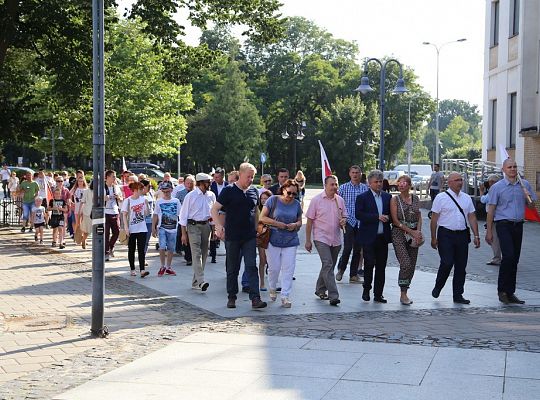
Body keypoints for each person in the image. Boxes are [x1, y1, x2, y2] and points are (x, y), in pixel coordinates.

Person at [211, 162, 267, 310]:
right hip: (232, 236)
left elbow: (255, 211)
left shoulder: (254, 191)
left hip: (249, 235)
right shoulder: (229, 190)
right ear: (240, 175)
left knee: (251, 266)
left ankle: (255, 298)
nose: (250, 179)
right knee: (232, 268)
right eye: (248, 176)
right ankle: (232, 296)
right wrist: (218, 226)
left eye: (253, 177)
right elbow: (214, 209)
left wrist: (257, 229)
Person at [486, 159, 537, 304]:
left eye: (515, 167)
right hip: (503, 224)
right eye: (510, 167)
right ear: (504, 169)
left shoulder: (524, 184)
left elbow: (532, 207)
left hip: (518, 225)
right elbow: (491, 211)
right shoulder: (497, 187)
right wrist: (489, 231)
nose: (513, 169)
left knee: (514, 258)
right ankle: (501, 290)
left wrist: (528, 196)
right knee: (508, 256)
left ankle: (510, 292)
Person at [430, 172, 480, 304]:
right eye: (457, 180)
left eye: (461, 180)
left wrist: (476, 235)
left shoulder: (466, 198)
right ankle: (438, 286)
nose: (460, 182)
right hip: (445, 234)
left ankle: (458, 295)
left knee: (461, 266)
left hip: (462, 235)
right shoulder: (441, 198)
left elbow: (472, 217)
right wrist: (433, 237)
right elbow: (434, 219)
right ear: (450, 182)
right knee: (446, 262)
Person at [259, 179, 302, 308]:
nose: (291, 196)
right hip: (273, 238)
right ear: (283, 189)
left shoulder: (296, 204)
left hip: (291, 239)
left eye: (295, 194)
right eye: (289, 193)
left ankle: (285, 296)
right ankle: (272, 287)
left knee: (289, 268)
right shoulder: (273, 200)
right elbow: (262, 217)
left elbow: (300, 220)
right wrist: (278, 224)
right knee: (274, 268)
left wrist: (295, 225)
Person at [305, 175, 346, 306]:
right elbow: (309, 221)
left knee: (328, 266)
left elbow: (345, 217)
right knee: (328, 264)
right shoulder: (316, 200)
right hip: (321, 237)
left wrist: (344, 220)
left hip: (336, 239)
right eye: (332, 184)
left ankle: (320, 289)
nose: (334, 187)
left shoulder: (339, 200)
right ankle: (334, 295)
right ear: (325, 185)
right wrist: (308, 240)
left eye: (336, 184)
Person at [356, 170, 392, 303]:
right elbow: (359, 215)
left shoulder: (387, 197)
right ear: (369, 183)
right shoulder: (362, 197)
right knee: (369, 264)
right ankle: (366, 289)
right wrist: (376, 217)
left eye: (380, 181)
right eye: (376, 182)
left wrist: (388, 218)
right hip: (368, 237)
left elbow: (392, 216)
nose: (378, 184)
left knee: (381, 267)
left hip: (382, 237)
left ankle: (378, 294)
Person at [179, 173, 215, 291]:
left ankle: (196, 281)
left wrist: (214, 229)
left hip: (206, 226)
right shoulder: (191, 196)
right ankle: (201, 280)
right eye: (207, 182)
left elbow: (213, 214)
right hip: (193, 226)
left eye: (210, 182)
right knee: (196, 253)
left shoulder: (211, 195)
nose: (209, 184)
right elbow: (183, 216)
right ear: (200, 183)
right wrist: (183, 234)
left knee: (204, 254)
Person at [390, 175, 422, 305]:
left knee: (412, 265)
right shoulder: (395, 199)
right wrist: (411, 231)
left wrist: (418, 232)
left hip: (414, 234)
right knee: (406, 263)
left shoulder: (415, 198)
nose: (401, 185)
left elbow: (419, 216)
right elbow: (395, 221)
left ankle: (406, 291)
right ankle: (403, 294)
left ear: (409, 185)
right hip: (399, 233)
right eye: (399, 183)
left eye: (404, 183)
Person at [336, 165, 368, 284]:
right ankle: (341, 269)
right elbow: (338, 205)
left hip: (361, 222)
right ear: (350, 174)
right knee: (348, 247)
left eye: (357, 172)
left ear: (361, 174)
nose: (355, 175)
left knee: (358, 249)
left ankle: (353, 274)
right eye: (353, 172)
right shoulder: (343, 188)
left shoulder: (365, 189)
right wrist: (340, 219)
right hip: (348, 221)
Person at [122, 181, 150, 278]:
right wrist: (126, 227)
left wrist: (146, 205)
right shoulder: (128, 201)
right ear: (136, 190)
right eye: (141, 189)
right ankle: (132, 269)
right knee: (132, 249)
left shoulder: (143, 199)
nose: (143, 190)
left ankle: (142, 270)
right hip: (132, 228)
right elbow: (124, 215)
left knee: (141, 249)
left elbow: (146, 214)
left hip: (142, 227)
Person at [152, 181, 181, 277]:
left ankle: (168, 267)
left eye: (167, 191)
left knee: (171, 248)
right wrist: (153, 227)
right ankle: (162, 266)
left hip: (173, 228)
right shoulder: (159, 201)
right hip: (162, 227)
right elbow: (155, 214)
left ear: (171, 190)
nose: (166, 193)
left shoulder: (176, 201)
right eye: (164, 191)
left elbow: (180, 214)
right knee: (162, 246)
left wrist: (183, 229)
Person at [479, 174, 502, 266]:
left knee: (494, 240)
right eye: (489, 182)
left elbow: (483, 200)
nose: (490, 184)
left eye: (492, 182)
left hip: (494, 218)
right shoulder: (499, 190)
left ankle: (497, 258)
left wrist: (481, 191)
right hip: (499, 218)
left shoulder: (493, 191)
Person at [174, 174, 195, 263]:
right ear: (184, 184)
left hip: (195, 219)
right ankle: (188, 257)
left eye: (191, 183)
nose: (189, 185)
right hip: (184, 219)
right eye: (187, 183)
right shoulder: (180, 193)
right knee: (185, 237)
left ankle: (194, 256)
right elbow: (176, 205)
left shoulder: (197, 193)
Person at [209, 168, 228, 263]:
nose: (215, 179)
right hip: (215, 211)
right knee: (214, 233)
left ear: (222, 177)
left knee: (224, 233)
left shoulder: (228, 185)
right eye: (214, 177)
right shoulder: (211, 185)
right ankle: (213, 255)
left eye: (217, 177)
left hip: (225, 212)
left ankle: (228, 251)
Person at [104, 170, 123, 261]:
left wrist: (118, 197)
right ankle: (106, 252)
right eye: (113, 176)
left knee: (117, 231)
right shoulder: (102, 187)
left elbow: (121, 198)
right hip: (105, 212)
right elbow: (96, 198)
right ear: (107, 177)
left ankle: (111, 246)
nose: (114, 178)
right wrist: (104, 198)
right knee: (106, 233)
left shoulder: (116, 187)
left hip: (115, 211)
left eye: (115, 176)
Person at [257, 190, 272, 291]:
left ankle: (272, 283)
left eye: (265, 199)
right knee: (262, 260)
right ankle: (262, 283)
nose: (263, 200)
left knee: (271, 261)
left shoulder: (273, 210)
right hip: (261, 237)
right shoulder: (257, 209)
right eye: (261, 198)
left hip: (272, 236)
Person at [141, 179, 155, 255]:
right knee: (142, 240)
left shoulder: (150, 193)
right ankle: (142, 257)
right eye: (149, 186)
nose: (150, 187)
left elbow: (153, 206)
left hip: (150, 220)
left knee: (147, 240)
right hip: (141, 221)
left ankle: (144, 255)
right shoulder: (139, 195)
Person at [79, 180, 93, 249]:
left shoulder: (100, 191)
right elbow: (82, 201)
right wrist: (79, 211)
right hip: (88, 212)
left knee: (89, 228)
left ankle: (84, 239)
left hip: (94, 211)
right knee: (87, 228)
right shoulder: (87, 191)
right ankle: (84, 239)